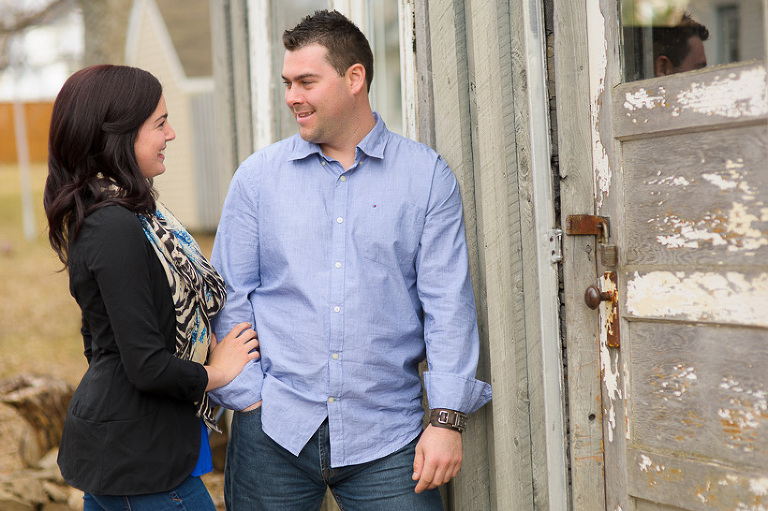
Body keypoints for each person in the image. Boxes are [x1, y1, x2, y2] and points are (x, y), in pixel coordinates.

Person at [209, 9, 491, 511]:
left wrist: (445, 421)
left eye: (307, 81)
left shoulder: (426, 178)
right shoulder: (257, 179)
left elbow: (448, 305)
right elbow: (230, 296)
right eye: (288, 82)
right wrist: (250, 399)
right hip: (274, 428)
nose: (292, 96)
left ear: (354, 77)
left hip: (388, 437)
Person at [43, 64, 260, 510]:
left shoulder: (131, 215)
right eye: (160, 123)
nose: (173, 134)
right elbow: (144, 365)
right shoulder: (114, 225)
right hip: (140, 463)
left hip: (134, 449)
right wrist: (217, 371)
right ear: (118, 135)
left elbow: (99, 338)